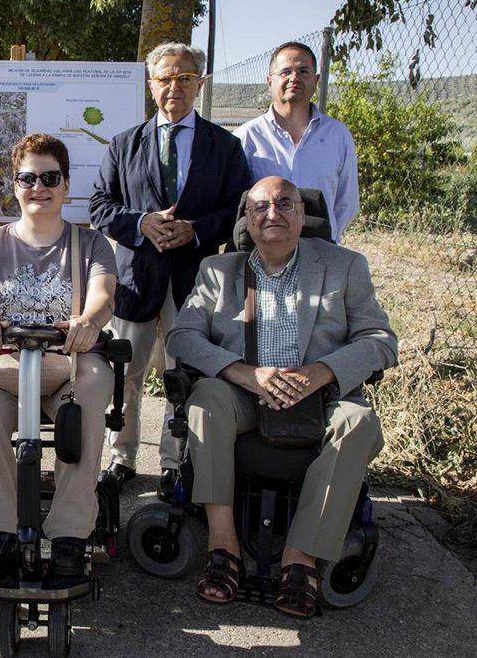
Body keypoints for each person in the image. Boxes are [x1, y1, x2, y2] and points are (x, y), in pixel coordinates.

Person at [164, 176, 397, 619]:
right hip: (243, 395)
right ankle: (222, 545)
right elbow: (182, 337)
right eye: (260, 207)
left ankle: (301, 558)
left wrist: (320, 373)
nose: (273, 214)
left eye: (285, 204)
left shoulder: (344, 266)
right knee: (206, 396)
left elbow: (381, 340)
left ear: (303, 215)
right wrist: (245, 374)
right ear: (247, 221)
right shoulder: (219, 272)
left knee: (359, 422)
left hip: (321, 396)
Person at [90, 42, 251, 499]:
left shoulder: (225, 146)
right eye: (164, 78)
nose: (173, 87)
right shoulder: (124, 144)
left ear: (199, 85)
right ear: (150, 85)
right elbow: (101, 207)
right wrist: (142, 223)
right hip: (136, 280)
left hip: (195, 282)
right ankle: (121, 458)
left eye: (184, 78)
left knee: (184, 377)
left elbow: (236, 210)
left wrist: (195, 231)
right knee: (127, 374)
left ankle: (173, 463)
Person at [0, 134, 116, 583]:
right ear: (15, 185)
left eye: (50, 177)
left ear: (66, 184)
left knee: (86, 404)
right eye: (28, 178)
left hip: (69, 362)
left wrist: (88, 320)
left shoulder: (90, 245)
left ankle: (70, 535)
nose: (38, 188)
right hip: (6, 365)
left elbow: (103, 296)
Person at [234, 42, 359, 242]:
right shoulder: (246, 137)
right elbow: (236, 202)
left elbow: (347, 202)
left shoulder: (337, 135)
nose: (294, 78)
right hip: (263, 252)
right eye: (285, 72)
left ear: (316, 80)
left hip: (321, 250)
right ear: (269, 81)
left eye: (303, 71)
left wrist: (325, 235)